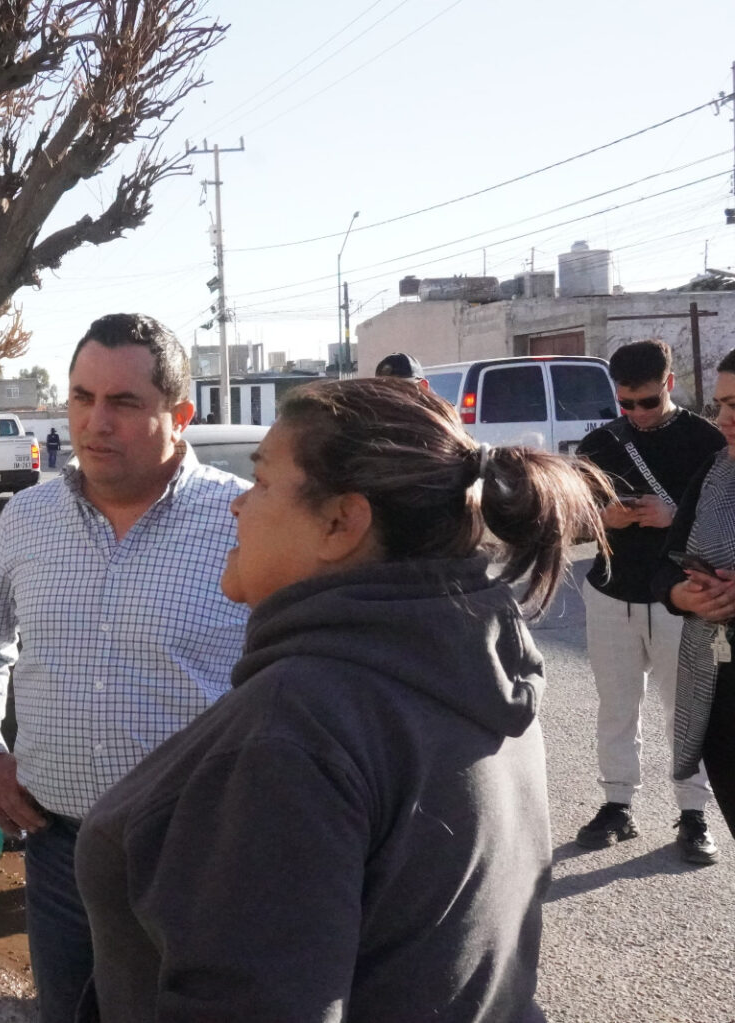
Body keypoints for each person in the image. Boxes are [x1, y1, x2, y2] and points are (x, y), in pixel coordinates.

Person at [76, 377, 611, 1023]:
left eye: (263, 481)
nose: (237, 505)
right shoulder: (472, 665)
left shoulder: (295, 726)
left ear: (339, 522)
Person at [0, 313, 250, 1023]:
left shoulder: (240, 521)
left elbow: (287, 684)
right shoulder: (28, 517)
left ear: (179, 415)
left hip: (197, 859)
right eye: (82, 397)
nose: (95, 421)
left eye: (124, 403)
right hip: (60, 856)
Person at [573, 340, 723, 862]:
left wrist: (673, 512)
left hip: (681, 597)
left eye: (646, 402)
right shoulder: (599, 443)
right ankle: (617, 805)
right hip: (611, 591)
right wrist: (603, 518)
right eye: (625, 404)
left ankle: (694, 814)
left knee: (686, 709)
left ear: (669, 383)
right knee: (616, 707)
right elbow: (570, 519)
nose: (635, 414)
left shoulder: (707, 439)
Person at [654, 347, 735, 838]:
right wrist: (683, 596)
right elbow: (664, 568)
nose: (724, 419)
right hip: (720, 697)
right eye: (722, 405)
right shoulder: (713, 473)